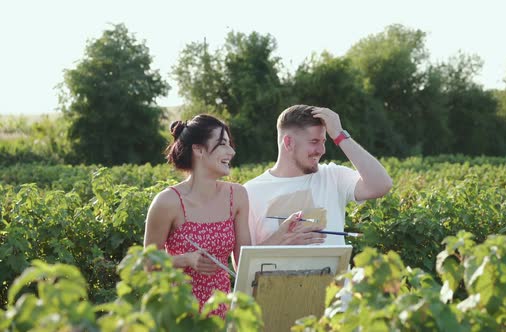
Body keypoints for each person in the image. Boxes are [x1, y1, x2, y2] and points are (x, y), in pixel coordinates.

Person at [143, 114, 251, 318]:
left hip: (222, 312)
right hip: (179, 313)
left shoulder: (237, 196)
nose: (232, 151)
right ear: (198, 149)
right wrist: (184, 260)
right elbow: (147, 263)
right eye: (222, 144)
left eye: (230, 144)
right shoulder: (167, 202)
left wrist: (283, 236)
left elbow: (245, 261)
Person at [244, 105, 393, 246]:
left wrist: (339, 135)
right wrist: (278, 242)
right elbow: (242, 265)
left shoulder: (334, 176)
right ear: (289, 143)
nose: (322, 150)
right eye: (314, 141)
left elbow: (381, 185)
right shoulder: (250, 192)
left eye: (323, 141)